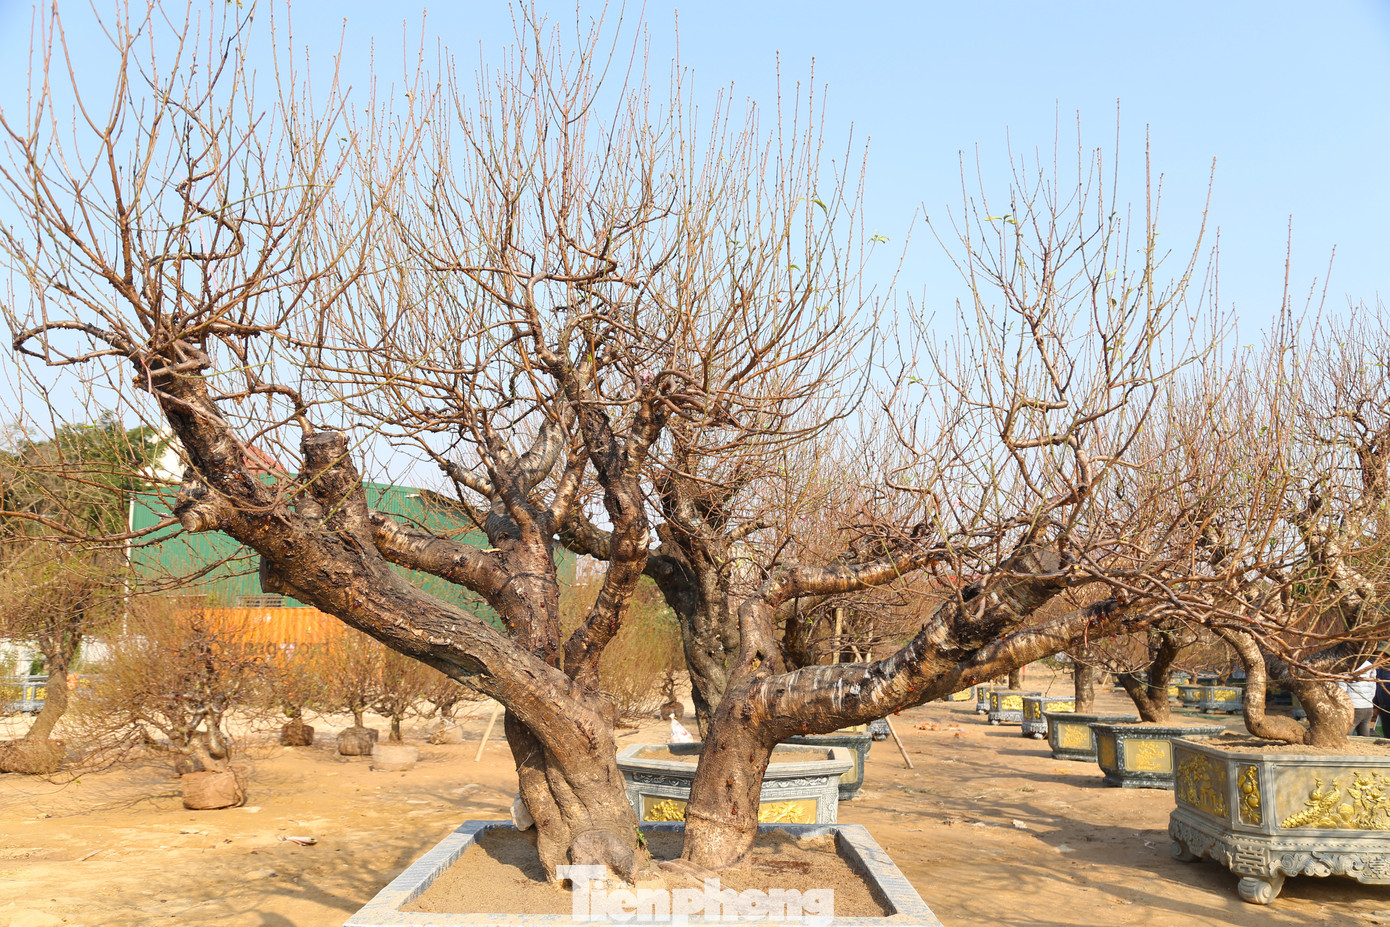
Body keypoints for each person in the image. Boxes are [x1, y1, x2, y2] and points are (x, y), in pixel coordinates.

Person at [1341, 659, 1377, 737]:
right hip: (1368, 706)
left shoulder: (1347, 665)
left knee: (1346, 734)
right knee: (1365, 736)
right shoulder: (1370, 667)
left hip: (1353, 706)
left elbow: (1341, 690)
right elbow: (1373, 689)